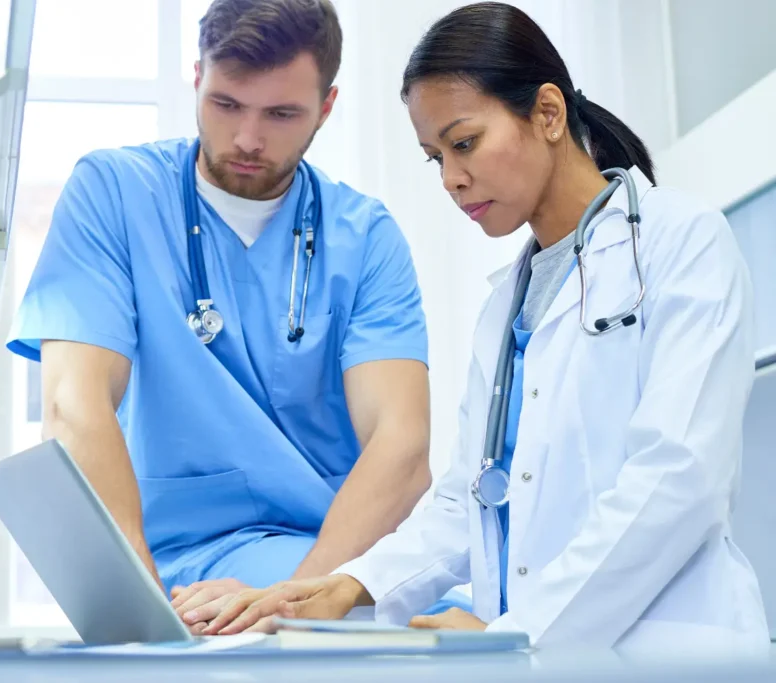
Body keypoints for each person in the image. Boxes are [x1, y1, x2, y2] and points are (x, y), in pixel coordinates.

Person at [196, 1, 770, 655]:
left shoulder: (682, 243)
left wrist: (523, 632)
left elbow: (678, 477)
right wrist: (353, 583)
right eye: (432, 156)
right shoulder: (506, 306)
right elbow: (466, 498)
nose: (451, 178)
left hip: (669, 649)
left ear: (547, 113)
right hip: (544, 653)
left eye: (463, 143)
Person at [6, 0, 470, 635]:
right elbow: (72, 402)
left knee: (473, 628)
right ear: (197, 78)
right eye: (226, 105)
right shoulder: (114, 193)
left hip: (327, 558)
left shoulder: (365, 237)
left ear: (326, 108)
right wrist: (144, 613)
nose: (249, 138)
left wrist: (291, 601)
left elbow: (402, 446)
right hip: (170, 566)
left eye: (281, 114)